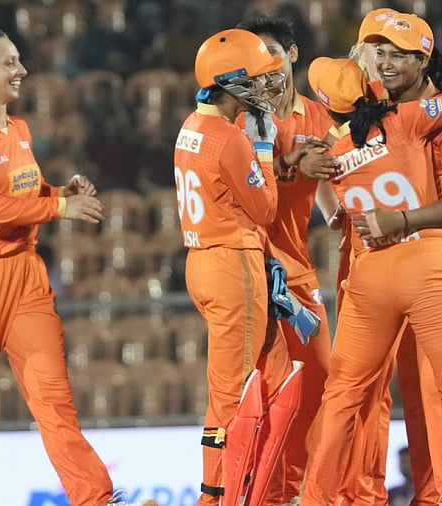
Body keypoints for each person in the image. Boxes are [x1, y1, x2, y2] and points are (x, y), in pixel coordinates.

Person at [0, 28, 155, 506]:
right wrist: (59, 210)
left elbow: (25, 194)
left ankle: (95, 499)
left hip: (26, 278)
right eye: (9, 63)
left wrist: (61, 194)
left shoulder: (18, 129)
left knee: (53, 399)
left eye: (19, 61)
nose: (21, 70)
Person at [299, 55, 442, 506]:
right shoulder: (408, 119)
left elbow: (332, 216)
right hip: (424, 259)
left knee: (343, 395)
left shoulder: (327, 153)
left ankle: (316, 497)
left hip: (368, 273)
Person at [176, 28, 301, 506]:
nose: (267, 89)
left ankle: (269, 493)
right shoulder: (228, 139)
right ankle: (218, 497)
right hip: (231, 265)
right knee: (234, 393)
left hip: (207, 259)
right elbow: (266, 207)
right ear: (228, 82)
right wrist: (264, 150)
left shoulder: (192, 124)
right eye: (256, 79)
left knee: (274, 375)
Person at [234, 15, 336, 503]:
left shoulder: (318, 118)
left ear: (292, 55)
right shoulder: (242, 121)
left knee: (319, 384)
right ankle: (264, 493)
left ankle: (294, 491)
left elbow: (336, 178)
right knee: (265, 392)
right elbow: (241, 183)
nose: (265, 68)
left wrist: (339, 217)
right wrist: (290, 161)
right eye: (255, 60)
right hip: (254, 270)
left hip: (299, 269)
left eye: (273, 54)